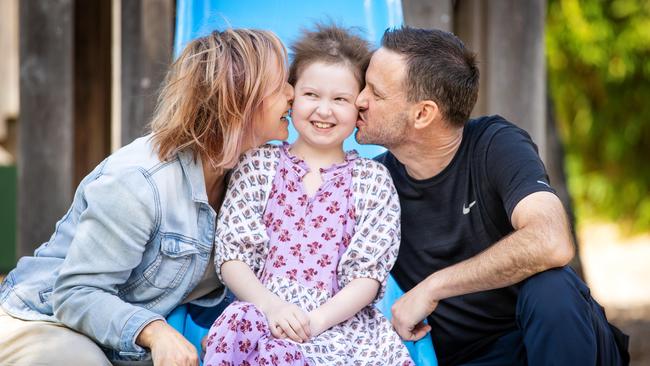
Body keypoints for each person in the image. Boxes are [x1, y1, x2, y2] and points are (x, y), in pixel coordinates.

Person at [0, 29, 294, 366]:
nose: (292, 94)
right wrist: (155, 330)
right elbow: (76, 296)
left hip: (125, 344)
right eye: (280, 84)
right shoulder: (140, 181)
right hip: (46, 321)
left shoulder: (252, 177)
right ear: (239, 100)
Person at [355, 26, 630, 366]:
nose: (359, 100)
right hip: (471, 358)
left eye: (376, 93)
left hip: (554, 343)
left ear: (423, 113)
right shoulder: (373, 183)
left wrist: (433, 286)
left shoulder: (495, 145)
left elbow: (551, 241)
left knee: (552, 288)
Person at [202, 25, 413, 365]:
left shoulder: (373, 181)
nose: (324, 110)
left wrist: (314, 323)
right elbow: (232, 255)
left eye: (340, 99)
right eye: (311, 95)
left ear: (359, 105)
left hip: (337, 324)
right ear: (291, 95)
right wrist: (272, 307)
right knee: (240, 331)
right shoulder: (258, 165)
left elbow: (367, 278)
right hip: (261, 307)